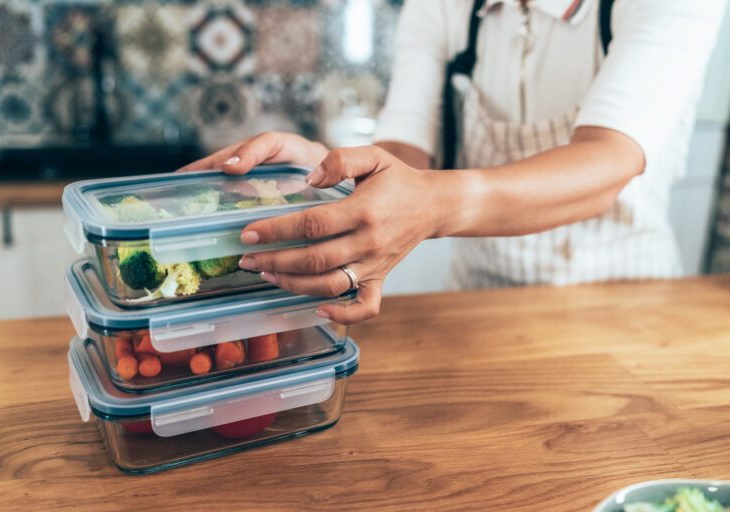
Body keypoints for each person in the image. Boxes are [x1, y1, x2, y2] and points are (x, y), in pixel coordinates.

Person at [181, 0, 727, 324]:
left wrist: (435, 204)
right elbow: (399, 158)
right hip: (477, 309)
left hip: (632, 305)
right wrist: (323, 171)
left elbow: (607, 162)